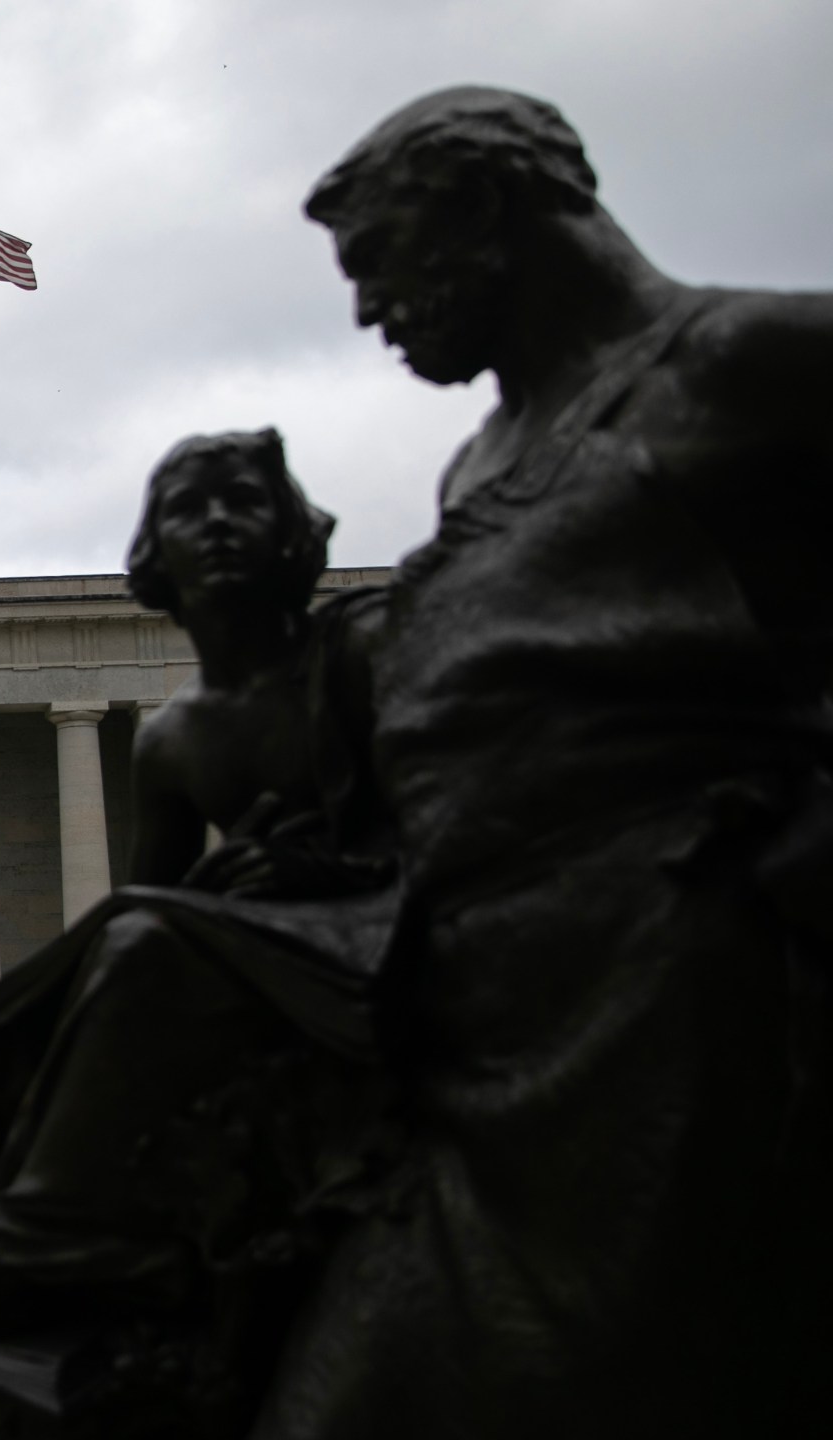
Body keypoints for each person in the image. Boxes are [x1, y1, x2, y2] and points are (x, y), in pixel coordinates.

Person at [247, 86, 833, 1439]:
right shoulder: (482, 463)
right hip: (486, 1023)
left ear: (487, 208)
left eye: (378, 259)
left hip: (677, 1018)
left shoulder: (745, 364)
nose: (366, 312)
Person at [0, 432, 400, 1432]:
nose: (216, 528)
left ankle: (3, 1268)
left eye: (242, 500)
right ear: (156, 560)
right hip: (253, 959)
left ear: (293, 533)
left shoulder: (369, 651)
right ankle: (100, 1284)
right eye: (186, 511)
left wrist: (314, 868)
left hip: (374, 941)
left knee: (142, 952)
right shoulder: (174, 738)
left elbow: (457, 814)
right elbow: (139, 904)